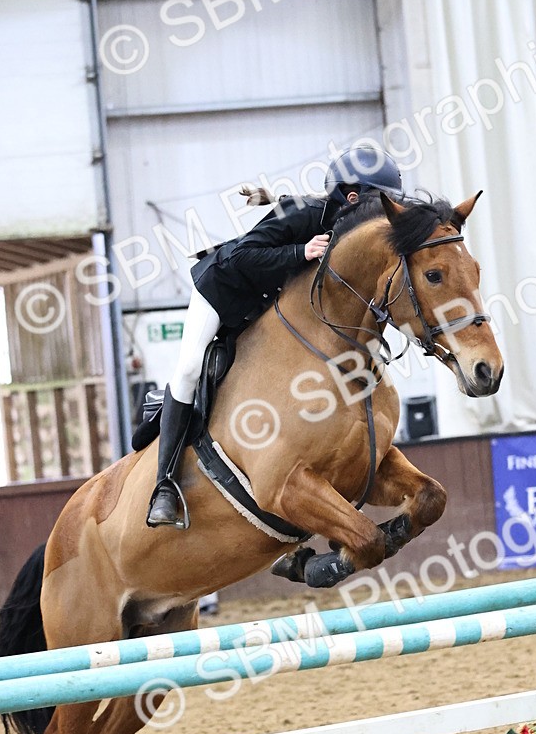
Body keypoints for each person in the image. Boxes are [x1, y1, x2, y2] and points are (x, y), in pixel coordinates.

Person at [146, 147, 404, 528]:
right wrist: (301, 251)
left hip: (266, 300)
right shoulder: (304, 215)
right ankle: (164, 485)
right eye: (381, 204)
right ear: (352, 198)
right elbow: (242, 256)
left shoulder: (348, 223)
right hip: (223, 290)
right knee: (187, 369)